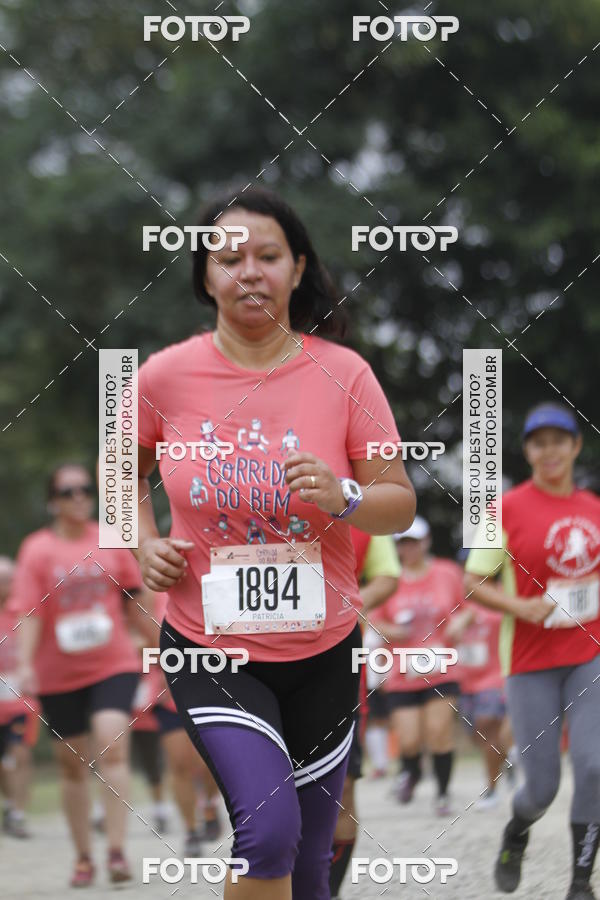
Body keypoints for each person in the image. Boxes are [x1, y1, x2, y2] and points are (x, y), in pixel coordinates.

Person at [134, 187, 416, 900]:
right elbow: (120, 479)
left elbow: (399, 504)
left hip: (325, 652)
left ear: (297, 269)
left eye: (267, 256)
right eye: (229, 258)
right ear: (204, 275)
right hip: (210, 646)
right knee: (268, 836)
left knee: (314, 863)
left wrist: (345, 495)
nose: (248, 271)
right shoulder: (162, 376)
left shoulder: (345, 374)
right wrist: (141, 542)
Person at [465, 402, 600, 900]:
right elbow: (473, 582)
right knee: (540, 788)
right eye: (538, 443)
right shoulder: (502, 509)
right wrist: (521, 608)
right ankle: (516, 831)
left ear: (575, 446)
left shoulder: (595, 509)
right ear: (528, 452)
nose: (549, 451)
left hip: (590, 652)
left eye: (558, 441)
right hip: (529, 662)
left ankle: (581, 882)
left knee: (594, 766)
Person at [11, 463, 151, 887]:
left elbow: (134, 598)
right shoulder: (36, 550)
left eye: (84, 490)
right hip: (59, 673)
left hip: (114, 663)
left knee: (112, 747)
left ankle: (115, 850)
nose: (78, 498)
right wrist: (25, 663)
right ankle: (84, 858)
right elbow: (30, 611)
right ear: (53, 501)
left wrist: (165, 644)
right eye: (68, 491)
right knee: (72, 767)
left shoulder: (110, 542)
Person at [372, 516, 463, 815]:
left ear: (426, 542)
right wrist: (388, 630)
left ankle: (443, 794)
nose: (408, 549)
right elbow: (369, 615)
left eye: (413, 542)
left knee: (439, 732)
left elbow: (472, 605)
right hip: (402, 671)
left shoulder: (447, 573)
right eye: (403, 544)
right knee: (408, 739)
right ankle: (411, 771)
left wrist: (460, 623)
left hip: (441, 666)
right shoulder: (389, 579)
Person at [329, 532, 400, 900]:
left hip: (338, 664)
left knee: (341, 789)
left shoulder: (359, 501)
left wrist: (346, 602)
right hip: (257, 666)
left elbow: (388, 576)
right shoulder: (238, 487)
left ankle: (328, 891)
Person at [446, 593, 511, 810]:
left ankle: (491, 789)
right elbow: (446, 633)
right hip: (464, 680)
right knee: (477, 735)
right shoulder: (454, 604)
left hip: (494, 677)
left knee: (488, 724)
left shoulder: (500, 598)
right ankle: (507, 761)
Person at [0, 556, 36, 839]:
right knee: (5, 761)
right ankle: (10, 805)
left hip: (21, 699)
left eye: (10, 578)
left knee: (19, 754)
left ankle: (18, 812)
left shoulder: (23, 612)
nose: (7, 584)